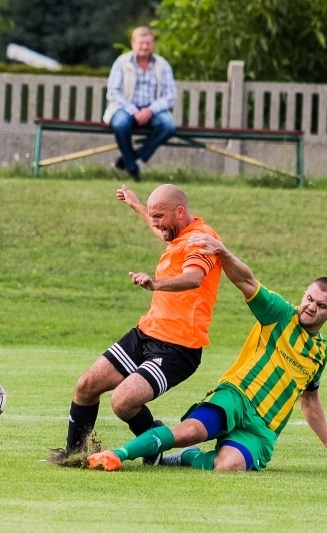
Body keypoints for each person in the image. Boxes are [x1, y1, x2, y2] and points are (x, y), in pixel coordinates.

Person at [86, 234, 327, 472]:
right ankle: (117, 455)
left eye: (321, 306)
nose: (311, 307)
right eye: (309, 299)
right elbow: (246, 280)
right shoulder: (280, 314)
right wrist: (223, 252)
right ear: (304, 295)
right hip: (236, 397)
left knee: (228, 466)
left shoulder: (320, 353)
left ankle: (190, 457)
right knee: (190, 432)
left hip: (262, 428)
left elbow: (309, 400)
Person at [48, 184, 221, 465]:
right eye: (153, 217)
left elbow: (194, 278)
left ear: (179, 212)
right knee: (87, 385)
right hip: (146, 333)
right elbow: (162, 231)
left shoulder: (202, 239)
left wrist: (156, 284)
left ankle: (154, 442)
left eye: (160, 216)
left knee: (122, 401)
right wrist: (137, 205)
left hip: (178, 348)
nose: (156, 223)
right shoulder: (179, 233)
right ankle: (75, 454)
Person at [102, 26, 177, 182]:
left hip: (153, 110)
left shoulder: (162, 65)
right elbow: (113, 92)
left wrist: (150, 110)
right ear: (133, 43)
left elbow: (170, 95)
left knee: (169, 125)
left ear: (153, 44)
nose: (144, 47)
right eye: (141, 43)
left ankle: (129, 159)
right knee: (120, 124)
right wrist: (133, 111)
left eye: (147, 43)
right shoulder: (121, 63)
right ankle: (132, 167)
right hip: (125, 108)